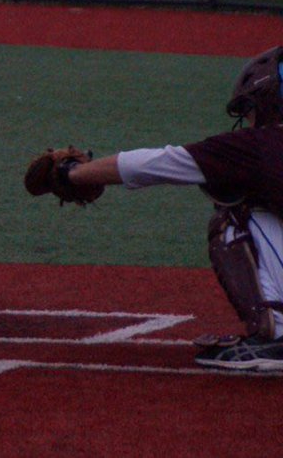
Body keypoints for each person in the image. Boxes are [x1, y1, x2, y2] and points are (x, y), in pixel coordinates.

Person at [24, 46, 283, 371]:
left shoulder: (257, 146)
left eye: (251, 109)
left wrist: (70, 173)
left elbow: (152, 164)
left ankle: (276, 338)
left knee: (234, 214)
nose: (249, 119)